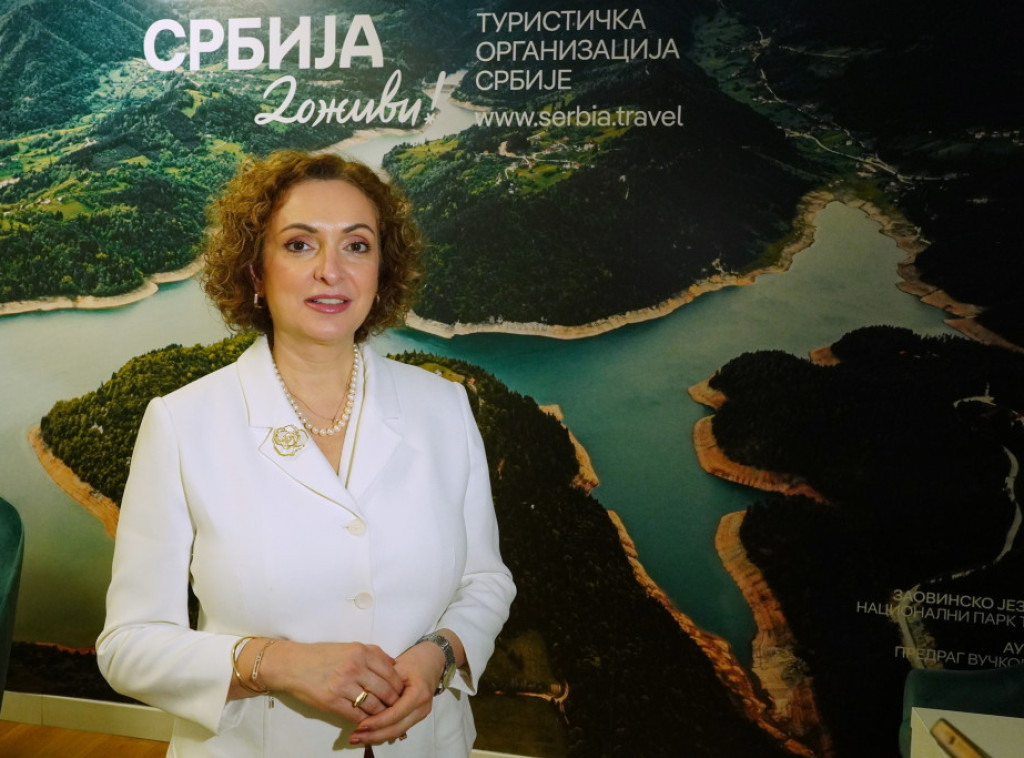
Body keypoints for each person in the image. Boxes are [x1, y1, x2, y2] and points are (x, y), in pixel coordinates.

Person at [96, 150, 516, 757]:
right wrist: (279, 664)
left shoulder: (444, 406)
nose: (331, 271)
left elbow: (485, 581)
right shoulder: (182, 423)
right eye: (299, 245)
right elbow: (128, 645)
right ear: (255, 272)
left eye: (356, 246)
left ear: (381, 270)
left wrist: (440, 655)